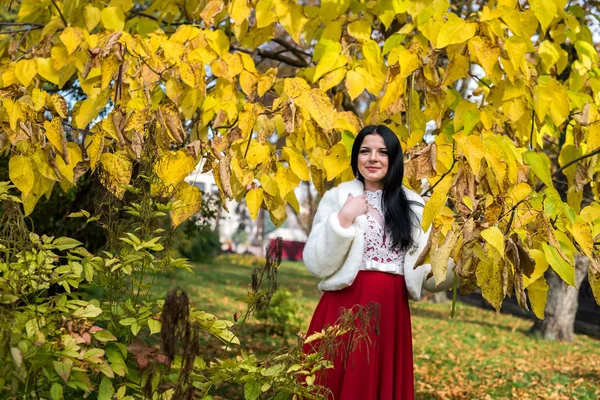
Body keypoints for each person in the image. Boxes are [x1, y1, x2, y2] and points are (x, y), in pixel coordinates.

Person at [302, 124, 455, 399]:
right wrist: (343, 219)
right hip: (343, 306)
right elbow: (316, 264)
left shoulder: (414, 205)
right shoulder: (338, 197)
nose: (373, 158)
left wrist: (464, 261)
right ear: (356, 158)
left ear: (393, 159)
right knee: (333, 380)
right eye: (365, 151)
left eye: (382, 152)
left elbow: (430, 269)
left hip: (392, 309)